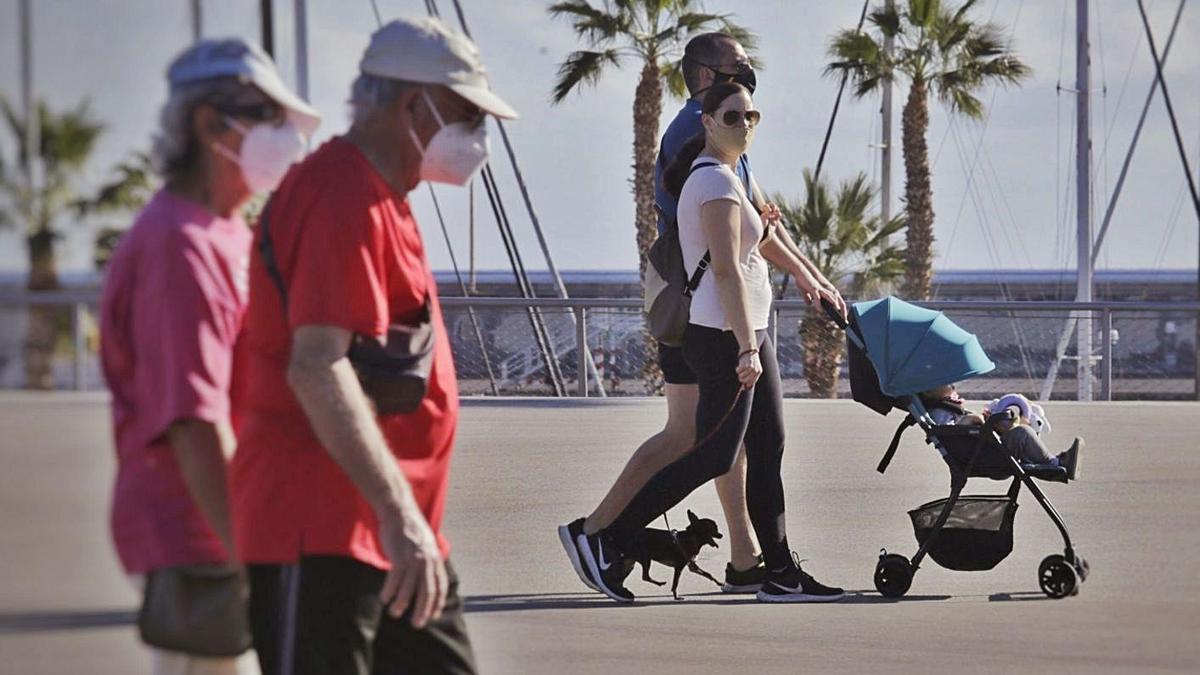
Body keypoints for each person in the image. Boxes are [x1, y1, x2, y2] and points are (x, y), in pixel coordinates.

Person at [230, 16, 515, 674]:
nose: (477, 134)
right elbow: (318, 363)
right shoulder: (339, 194)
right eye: (467, 114)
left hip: (394, 534)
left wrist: (408, 526)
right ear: (414, 105)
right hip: (325, 530)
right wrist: (399, 517)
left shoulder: (386, 196)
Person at [559, 32, 847, 595]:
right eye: (739, 68)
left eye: (750, 114)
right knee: (705, 442)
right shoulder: (703, 145)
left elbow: (763, 226)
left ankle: (753, 563)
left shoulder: (722, 143)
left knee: (735, 441)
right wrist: (747, 341)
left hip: (730, 317)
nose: (747, 109)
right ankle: (603, 536)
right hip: (708, 318)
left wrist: (810, 276)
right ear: (708, 81)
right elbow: (726, 252)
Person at [99, 38, 317, 674]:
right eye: (265, 116)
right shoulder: (176, 246)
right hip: (204, 533)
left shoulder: (223, 232)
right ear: (208, 123)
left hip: (233, 521)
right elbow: (195, 422)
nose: (282, 137)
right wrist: (253, 554)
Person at [922, 385, 1083, 479]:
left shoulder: (946, 406)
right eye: (945, 383)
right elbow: (947, 432)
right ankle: (1056, 466)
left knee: (1020, 431)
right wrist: (970, 420)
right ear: (929, 392)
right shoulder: (938, 412)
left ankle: (1044, 462)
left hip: (983, 449)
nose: (952, 385)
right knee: (1022, 433)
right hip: (986, 457)